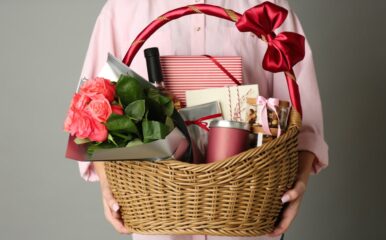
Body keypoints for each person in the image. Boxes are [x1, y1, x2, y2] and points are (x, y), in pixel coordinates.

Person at [77, 0, 329, 239]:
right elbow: (91, 111)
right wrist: (107, 186)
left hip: (246, 218)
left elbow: (303, 122)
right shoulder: (124, 7)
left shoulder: (268, 10)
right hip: (158, 217)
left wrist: (300, 182)